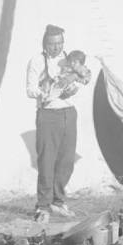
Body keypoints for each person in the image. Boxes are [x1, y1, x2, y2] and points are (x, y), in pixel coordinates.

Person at [26, 25, 92, 223]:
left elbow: (83, 78)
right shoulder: (37, 61)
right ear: (45, 43)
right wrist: (43, 94)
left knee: (67, 160)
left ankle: (58, 200)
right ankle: (43, 206)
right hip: (48, 114)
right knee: (47, 160)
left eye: (59, 43)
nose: (56, 47)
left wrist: (74, 88)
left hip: (68, 113)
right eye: (51, 44)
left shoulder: (70, 59)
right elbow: (30, 89)